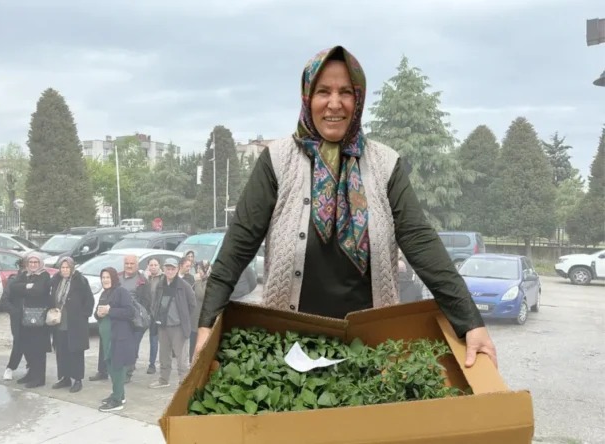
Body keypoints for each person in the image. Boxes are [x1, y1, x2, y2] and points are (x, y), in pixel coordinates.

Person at [194, 46, 497, 369]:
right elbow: (238, 245)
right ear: (307, 97)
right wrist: (206, 325)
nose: (334, 104)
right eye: (323, 91)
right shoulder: (278, 161)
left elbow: (420, 240)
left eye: (346, 93)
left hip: (368, 352)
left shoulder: (385, 165)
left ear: (359, 99)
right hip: (289, 351)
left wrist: (470, 322)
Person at [149, 258, 196, 389]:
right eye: (168, 269)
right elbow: (154, 302)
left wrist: (183, 318)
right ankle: (163, 380)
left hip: (178, 328)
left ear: (177, 269)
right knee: (164, 355)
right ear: (163, 269)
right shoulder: (160, 284)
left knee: (182, 358)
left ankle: (183, 382)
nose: (170, 271)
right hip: (163, 326)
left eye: (173, 269)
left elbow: (192, 305)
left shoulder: (184, 285)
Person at [94, 267, 135, 412]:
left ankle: (117, 401)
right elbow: (98, 313)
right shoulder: (105, 293)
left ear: (113, 278)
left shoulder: (121, 292)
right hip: (107, 337)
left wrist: (109, 311)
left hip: (119, 336)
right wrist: (98, 313)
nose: (105, 280)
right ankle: (119, 394)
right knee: (111, 366)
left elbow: (130, 311)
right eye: (103, 277)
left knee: (117, 367)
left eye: (107, 277)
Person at [51, 257, 95, 393]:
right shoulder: (57, 280)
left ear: (72, 268)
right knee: (62, 350)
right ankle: (65, 377)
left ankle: (77, 379)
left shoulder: (80, 281)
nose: (64, 270)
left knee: (75, 351)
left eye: (67, 268)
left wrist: (83, 315)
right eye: (62, 268)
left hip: (75, 323)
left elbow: (89, 300)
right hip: (59, 321)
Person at [10, 252, 53, 388]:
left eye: (35, 262)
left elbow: (38, 291)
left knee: (38, 348)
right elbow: (13, 288)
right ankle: (31, 373)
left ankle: (39, 377)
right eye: (31, 262)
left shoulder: (44, 275)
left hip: (39, 316)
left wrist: (25, 288)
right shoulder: (25, 275)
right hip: (25, 316)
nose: (33, 265)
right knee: (27, 346)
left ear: (40, 263)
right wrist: (28, 287)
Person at [0, 258, 28, 381]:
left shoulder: (36, 279)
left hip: (34, 317)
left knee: (33, 343)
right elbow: (4, 301)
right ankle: (10, 368)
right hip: (18, 318)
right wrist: (15, 312)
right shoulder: (13, 281)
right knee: (19, 343)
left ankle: (31, 367)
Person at [189, 260, 210, 363]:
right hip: (194, 316)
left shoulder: (208, 281)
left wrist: (197, 281)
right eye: (197, 270)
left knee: (198, 341)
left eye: (200, 270)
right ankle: (190, 360)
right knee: (192, 340)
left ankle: (195, 361)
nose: (198, 272)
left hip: (201, 317)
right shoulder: (200, 280)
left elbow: (201, 295)